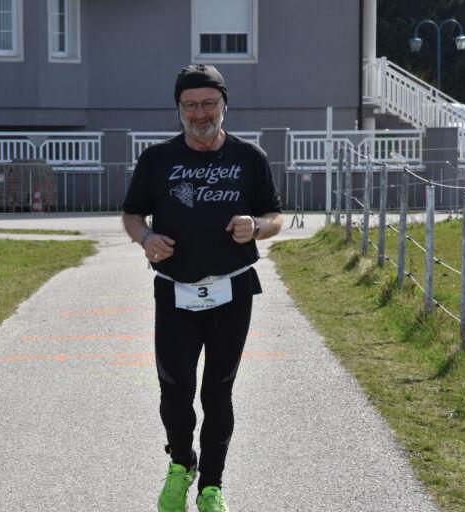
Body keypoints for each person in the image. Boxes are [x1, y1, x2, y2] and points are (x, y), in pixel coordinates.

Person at [122, 65, 283, 512]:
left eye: (208, 103)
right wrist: (145, 238)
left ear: (224, 104)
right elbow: (132, 214)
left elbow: (274, 215)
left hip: (232, 290)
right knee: (174, 392)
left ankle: (211, 486)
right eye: (189, 105)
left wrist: (257, 227)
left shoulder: (249, 157)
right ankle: (181, 463)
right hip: (175, 290)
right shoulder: (157, 159)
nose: (199, 113)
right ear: (178, 108)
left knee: (218, 392)